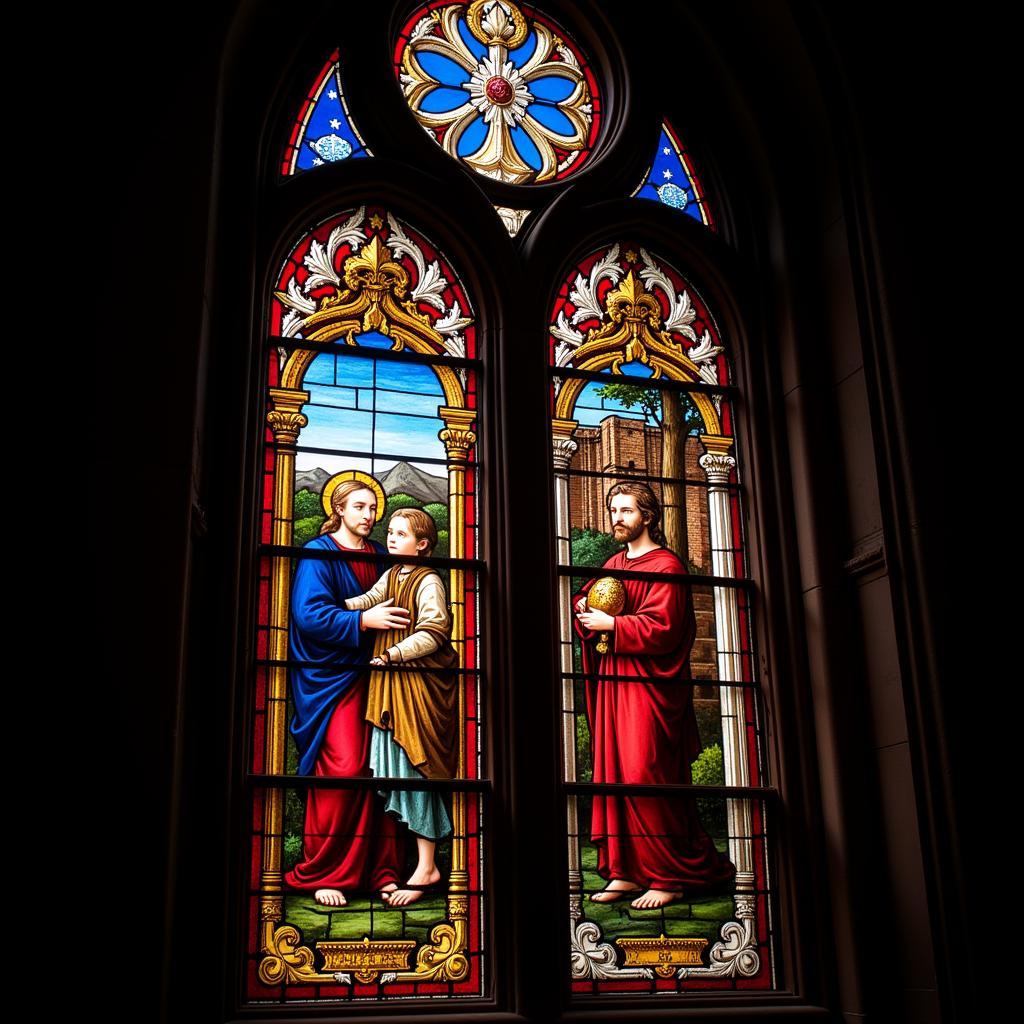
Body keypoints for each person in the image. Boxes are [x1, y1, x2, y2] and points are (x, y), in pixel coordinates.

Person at [574, 481, 735, 909]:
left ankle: (668, 874)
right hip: (615, 682)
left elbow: (665, 628)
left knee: (646, 772)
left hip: (649, 688)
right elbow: (591, 601)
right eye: (613, 510)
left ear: (648, 516)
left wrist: (614, 626)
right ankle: (625, 870)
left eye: (626, 511)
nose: (617, 518)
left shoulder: (667, 567)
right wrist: (585, 613)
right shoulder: (613, 562)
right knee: (616, 774)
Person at [284, 475, 412, 907]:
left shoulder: (380, 555)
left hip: (382, 675)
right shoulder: (319, 555)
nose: (369, 516)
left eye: (373, 508)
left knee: (384, 767)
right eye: (359, 507)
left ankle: (383, 871)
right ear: (338, 509)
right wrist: (363, 622)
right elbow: (309, 615)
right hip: (331, 679)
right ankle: (325, 870)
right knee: (342, 768)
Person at [344, 508, 458, 907]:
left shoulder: (428, 581)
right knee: (396, 766)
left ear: (423, 544)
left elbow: (435, 631)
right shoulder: (393, 575)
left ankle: (428, 864)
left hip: (417, 688)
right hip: (391, 686)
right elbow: (368, 599)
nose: (390, 538)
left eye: (401, 533)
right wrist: (332, 602)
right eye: (389, 532)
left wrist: (393, 654)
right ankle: (421, 861)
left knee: (416, 766)